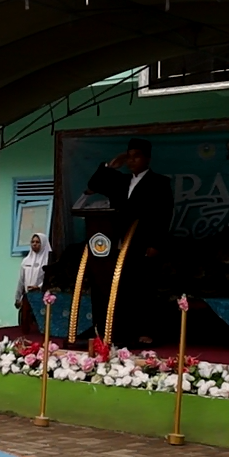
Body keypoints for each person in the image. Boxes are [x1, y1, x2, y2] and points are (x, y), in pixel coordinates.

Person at [86, 138, 174, 347]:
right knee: (121, 288)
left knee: (144, 289)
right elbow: (93, 185)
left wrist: (156, 244)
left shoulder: (159, 182)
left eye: (137, 156)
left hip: (144, 243)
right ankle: (120, 331)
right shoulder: (120, 181)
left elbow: (164, 214)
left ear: (147, 159)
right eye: (130, 157)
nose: (132, 161)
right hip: (118, 243)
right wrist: (110, 166)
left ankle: (146, 331)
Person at [15, 233, 50, 335]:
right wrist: (18, 297)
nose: (35, 244)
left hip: (41, 296)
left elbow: (49, 279)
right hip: (28, 296)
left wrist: (39, 287)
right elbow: (21, 280)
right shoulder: (26, 261)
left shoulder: (47, 260)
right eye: (33, 242)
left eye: (38, 242)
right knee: (25, 324)